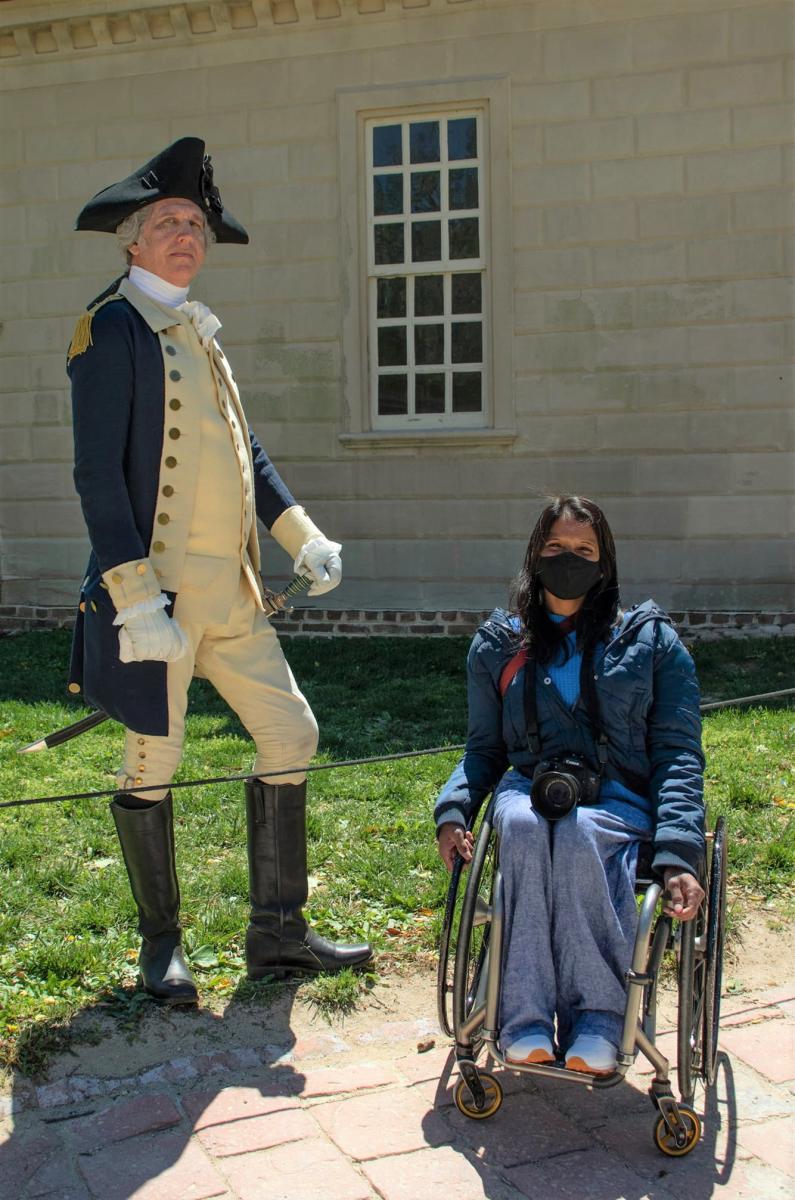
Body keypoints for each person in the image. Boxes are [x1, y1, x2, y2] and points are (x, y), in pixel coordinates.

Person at [66, 137, 371, 1005]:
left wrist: (300, 535)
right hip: (155, 598)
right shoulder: (112, 327)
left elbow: (250, 454)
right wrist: (132, 598)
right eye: (166, 221)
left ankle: (278, 934)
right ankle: (161, 947)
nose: (183, 234)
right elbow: (95, 473)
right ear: (132, 239)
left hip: (233, 591)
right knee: (150, 763)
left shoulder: (199, 332)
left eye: (194, 222)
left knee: (292, 734)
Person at [435, 496, 705, 1074]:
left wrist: (681, 853)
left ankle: (602, 1021)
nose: (568, 560)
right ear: (534, 555)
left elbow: (678, 755)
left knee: (580, 835)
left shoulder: (650, 643)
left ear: (604, 563)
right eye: (555, 548)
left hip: (618, 800)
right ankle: (525, 1020)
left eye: (584, 550)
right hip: (530, 788)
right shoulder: (499, 646)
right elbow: (483, 750)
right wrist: (454, 809)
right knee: (530, 829)